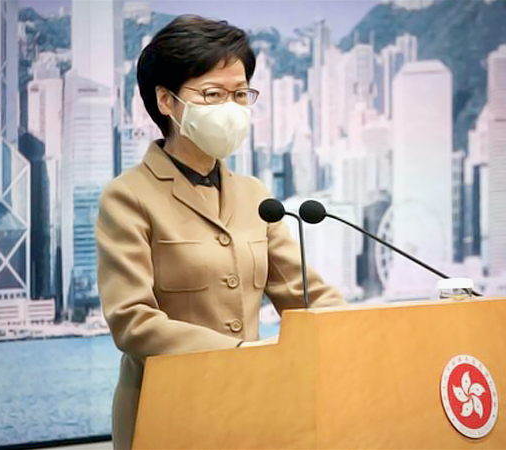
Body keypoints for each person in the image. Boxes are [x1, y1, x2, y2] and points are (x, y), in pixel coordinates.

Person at [95, 15, 344, 449]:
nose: (231, 108)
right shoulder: (128, 197)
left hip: (250, 407)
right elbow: (132, 322)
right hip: (167, 412)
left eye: (241, 94)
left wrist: (365, 330)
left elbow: (308, 298)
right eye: (213, 94)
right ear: (167, 101)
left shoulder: (255, 197)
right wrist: (239, 354)